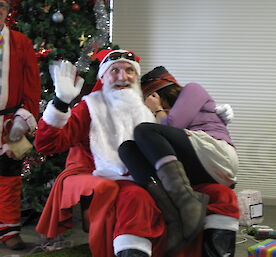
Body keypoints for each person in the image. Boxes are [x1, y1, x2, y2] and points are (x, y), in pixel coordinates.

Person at [34, 49, 238, 257]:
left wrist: (214, 115)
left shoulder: (147, 105)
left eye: (130, 71)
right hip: (117, 178)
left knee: (221, 194)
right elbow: (46, 144)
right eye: (115, 70)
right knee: (137, 198)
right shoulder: (90, 107)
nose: (123, 77)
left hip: (161, 176)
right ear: (103, 77)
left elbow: (179, 124)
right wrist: (60, 102)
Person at [118, 66, 239, 257]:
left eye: (148, 98)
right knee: (127, 148)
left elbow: (172, 125)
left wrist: (157, 110)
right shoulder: (166, 115)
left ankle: (187, 204)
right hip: (197, 163)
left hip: (218, 156)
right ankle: (174, 216)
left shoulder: (192, 89)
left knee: (144, 130)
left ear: (159, 94)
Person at [0, 0, 41, 251]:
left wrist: (23, 118)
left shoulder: (21, 43)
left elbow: (32, 84)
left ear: (7, 11)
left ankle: (8, 229)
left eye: (1, 6)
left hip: (9, 123)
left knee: (9, 177)